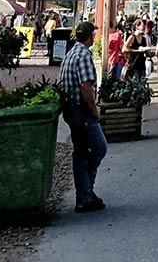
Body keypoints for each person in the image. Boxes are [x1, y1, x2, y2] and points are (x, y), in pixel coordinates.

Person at [60, 20, 107, 213]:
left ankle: (85, 192)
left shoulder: (71, 53)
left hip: (71, 109)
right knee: (99, 147)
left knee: (81, 151)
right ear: (90, 37)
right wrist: (95, 111)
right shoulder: (84, 55)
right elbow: (86, 86)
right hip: (82, 111)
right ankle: (85, 192)